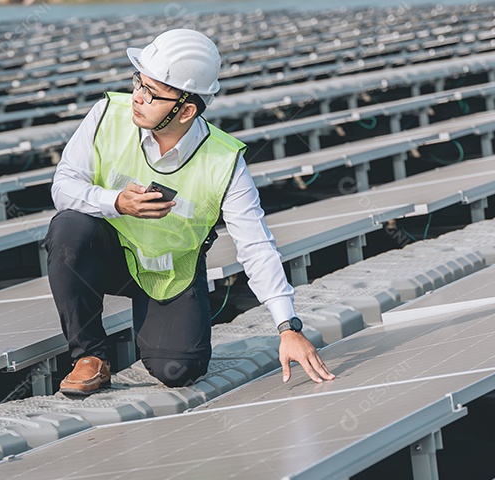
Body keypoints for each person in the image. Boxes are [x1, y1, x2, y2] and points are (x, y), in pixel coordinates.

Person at [46, 28, 335, 396]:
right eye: (138, 82)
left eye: (151, 92)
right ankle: (90, 356)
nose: (137, 96)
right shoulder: (106, 114)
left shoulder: (224, 161)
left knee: (177, 371)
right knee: (68, 228)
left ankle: (161, 326)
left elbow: (256, 246)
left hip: (170, 272)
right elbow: (63, 187)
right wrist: (116, 202)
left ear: (186, 110)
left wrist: (288, 327)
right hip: (108, 257)